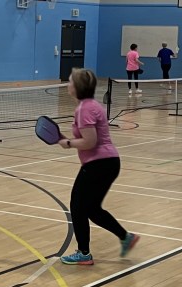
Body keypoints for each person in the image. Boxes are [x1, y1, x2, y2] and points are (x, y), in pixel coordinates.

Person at [56, 68, 139, 265]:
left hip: (98, 164)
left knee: (77, 206)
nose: (68, 84)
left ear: (78, 87)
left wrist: (69, 143)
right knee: (92, 208)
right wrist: (69, 141)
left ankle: (83, 253)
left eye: (70, 81)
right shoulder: (92, 105)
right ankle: (125, 237)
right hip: (109, 162)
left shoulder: (84, 109)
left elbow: (90, 142)